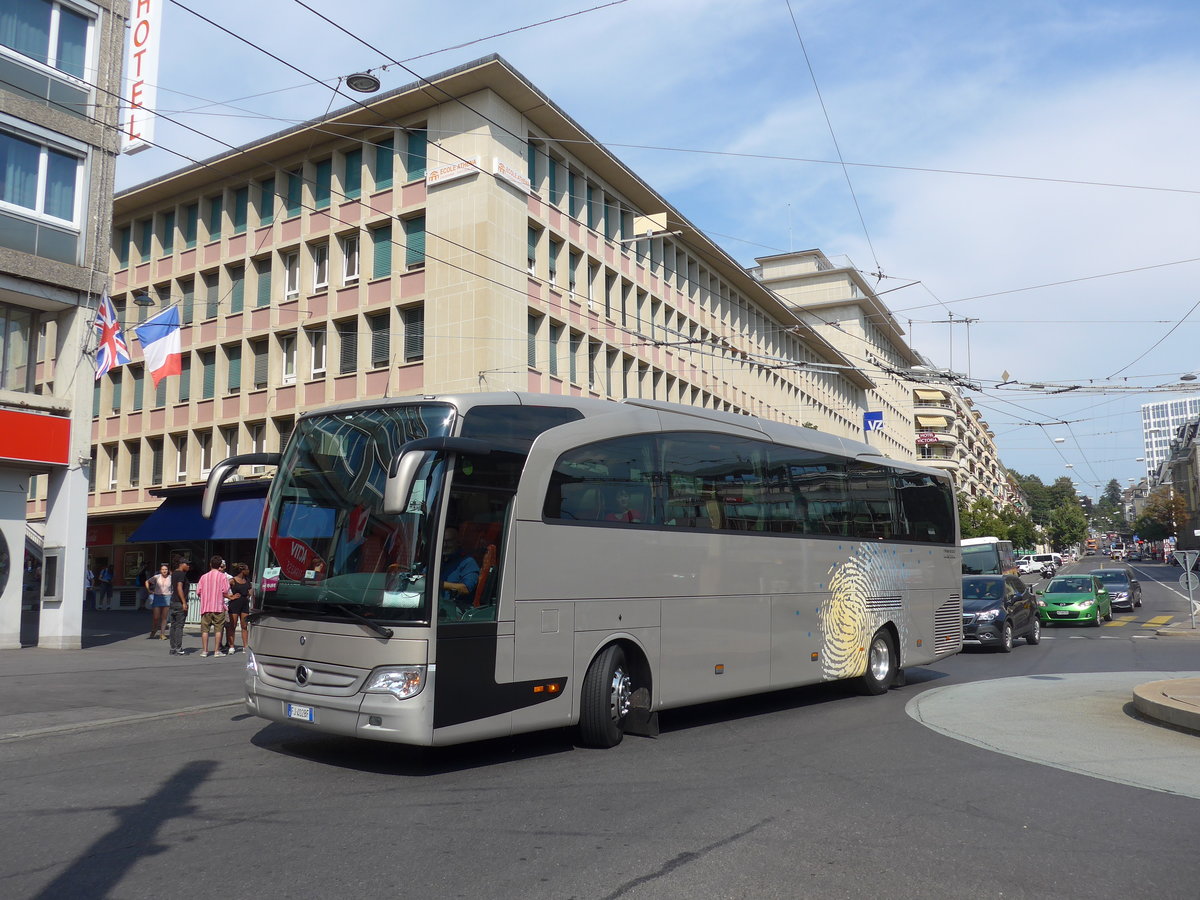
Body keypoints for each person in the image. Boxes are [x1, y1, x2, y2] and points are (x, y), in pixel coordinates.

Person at [196, 556, 232, 658]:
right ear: (220, 565)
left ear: (210, 564)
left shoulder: (203, 577)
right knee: (218, 629)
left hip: (206, 607)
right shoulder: (223, 577)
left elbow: (198, 591)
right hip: (218, 606)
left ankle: (204, 651)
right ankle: (216, 651)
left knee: (205, 630)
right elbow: (225, 590)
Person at [439, 527, 480, 612]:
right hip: (437, 604)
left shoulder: (468, 562)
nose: (445, 545)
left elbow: (466, 588)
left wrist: (438, 584)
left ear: (458, 542)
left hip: (457, 609)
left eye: (449, 541)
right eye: (443, 541)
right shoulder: (438, 561)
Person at [223, 563, 252, 654]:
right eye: (247, 569)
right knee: (233, 625)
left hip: (244, 603)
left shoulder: (247, 580)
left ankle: (245, 646)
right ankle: (231, 646)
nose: (248, 571)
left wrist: (250, 593)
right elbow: (223, 590)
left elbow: (250, 590)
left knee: (244, 625)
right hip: (235, 603)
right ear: (242, 570)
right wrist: (230, 597)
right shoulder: (232, 580)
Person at [167, 560, 190, 656]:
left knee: (173, 625)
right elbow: (179, 587)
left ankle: (172, 648)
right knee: (179, 626)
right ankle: (178, 648)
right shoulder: (181, 574)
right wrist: (184, 602)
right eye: (187, 564)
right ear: (182, 564)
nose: (188, 566)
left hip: (173, 601)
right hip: (179, 602)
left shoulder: (174, 574)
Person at [146, 563, 172, 639]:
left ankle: (162, 634)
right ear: (160, 570)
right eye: (163, 569)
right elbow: (147, 581)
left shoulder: (171, 577)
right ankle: (154, 629)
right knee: (156, 617)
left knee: (164, 617)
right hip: (157, 597)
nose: (164, 571)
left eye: (166, 569)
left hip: (167, 597)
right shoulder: (156, 577)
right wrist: (149, 590)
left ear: (168, 570)